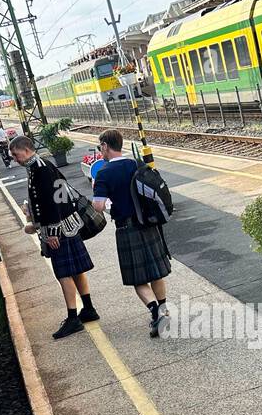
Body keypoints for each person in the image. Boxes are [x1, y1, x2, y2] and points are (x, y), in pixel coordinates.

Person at [11, 135, 99, 339]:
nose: (15, 159)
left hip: (58, 229)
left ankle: (73, 318)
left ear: (25, 150)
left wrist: (50, 232)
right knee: (75, 270)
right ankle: (88, 308)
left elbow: (52, 203)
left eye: (15, 155)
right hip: (67, 224)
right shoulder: (43, 165)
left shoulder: (39, 170)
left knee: (63, 273)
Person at [91, 129, 170, 338]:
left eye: (101, 147)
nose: (101, 151)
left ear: (106, 146)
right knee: (156, 272)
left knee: (138, 278)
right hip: (149, 224)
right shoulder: (136, 164)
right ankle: (164, 309)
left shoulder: (104, 173)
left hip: (127, 228)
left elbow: (98, 206)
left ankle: (156, 312)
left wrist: (97, 192)